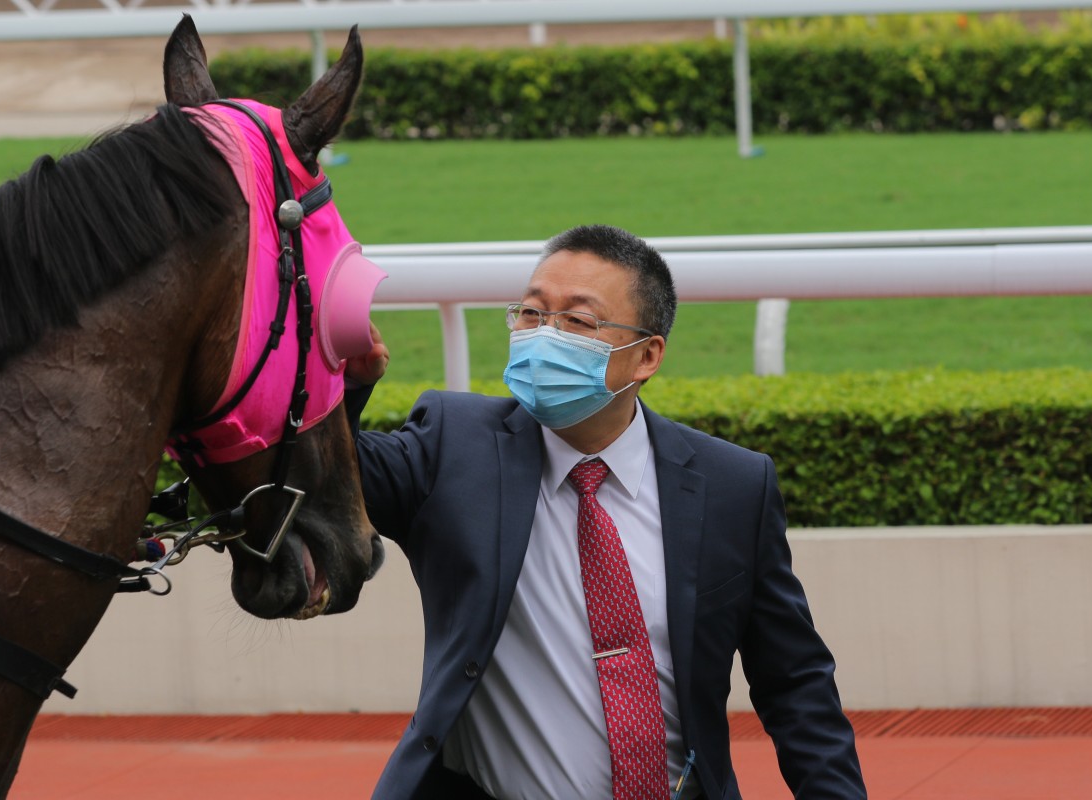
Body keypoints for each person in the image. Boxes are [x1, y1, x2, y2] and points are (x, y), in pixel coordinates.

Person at [344, 224, 866, 799]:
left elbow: (794, 684)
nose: (545, 336)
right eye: (531, 313)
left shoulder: (733, 486)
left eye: (578, 321)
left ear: (647, 355)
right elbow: (319, 480)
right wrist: (345, 388)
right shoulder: (451, 448)